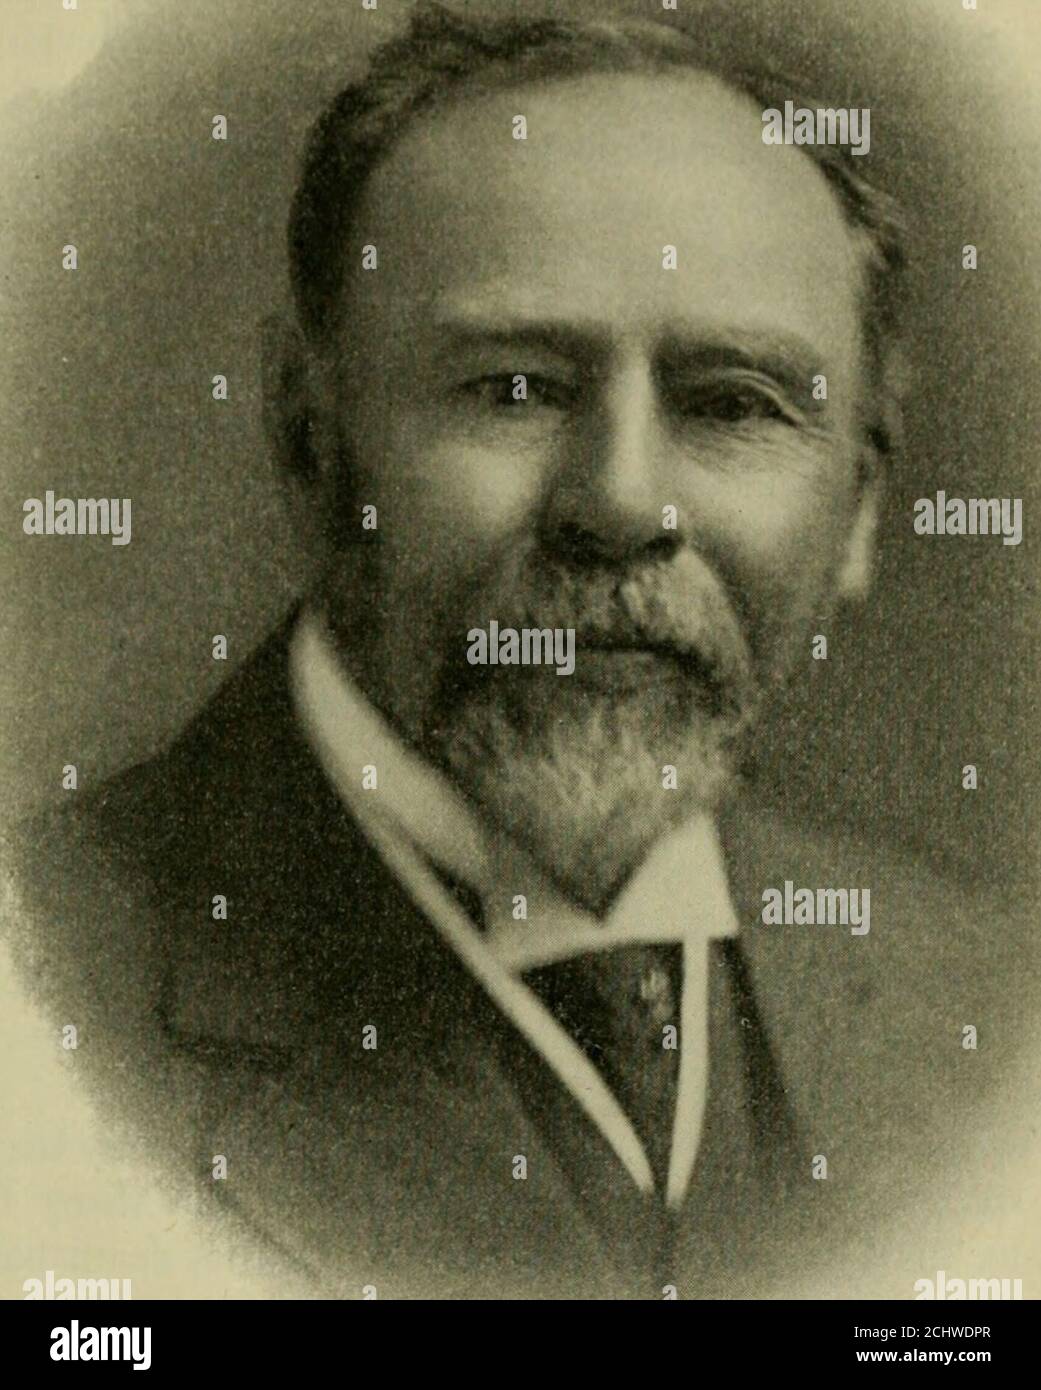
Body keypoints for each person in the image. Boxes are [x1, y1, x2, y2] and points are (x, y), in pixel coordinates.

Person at [7, 4, 1017, 1299]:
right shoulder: (46, 987)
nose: (622, 504)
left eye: (733, 404)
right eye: (515, 388)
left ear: (862, 508)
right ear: (309, 440)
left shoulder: (982, 1002)